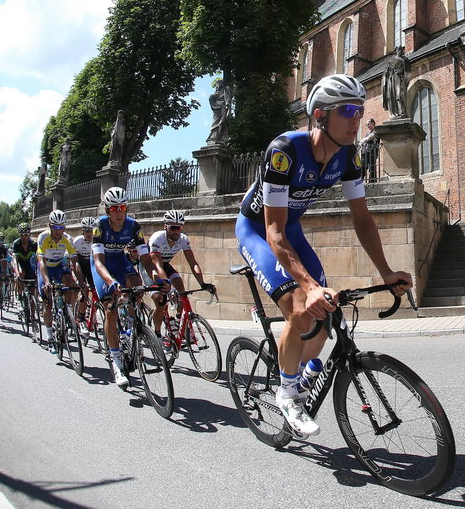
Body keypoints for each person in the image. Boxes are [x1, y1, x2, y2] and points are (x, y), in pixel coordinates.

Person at [235, 73, 412, 437]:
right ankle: (286, 393)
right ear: (319, 116)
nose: (356, 118)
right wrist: (309, 286)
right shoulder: (284, 150)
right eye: (346, 110)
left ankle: (297, 371)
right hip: (259, 231)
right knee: (302, 308)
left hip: (291, 230)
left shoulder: (348, 156)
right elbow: (273, 232)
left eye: (359, 110)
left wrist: (387, 271)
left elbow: (362, 219)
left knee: (325, 315)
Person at [91, 187, 164, 389]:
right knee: (110, 309)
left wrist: (157, 280)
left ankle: (131, 329)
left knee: (138, 287)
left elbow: (145, 260)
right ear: (107, 210)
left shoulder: (133, 226)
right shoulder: (99, 226)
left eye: (123, 207)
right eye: (115, 208)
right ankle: (115, 361)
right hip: (103, 265)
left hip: (120, 261)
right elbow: (98, 262)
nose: (119, 212)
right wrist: (110, 282)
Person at [148, 210, 215, 345]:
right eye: (172, 227)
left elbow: (193, 263)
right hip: (151, 268)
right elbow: (157, 265)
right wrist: (167, 286)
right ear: (165, 227)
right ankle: (157, 334)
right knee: (160, 301)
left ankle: (179, 323)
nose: (176, 231)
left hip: (165, 265)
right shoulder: (157, 238)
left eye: (179, 228)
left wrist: (203, 283)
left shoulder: (183, 239)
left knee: (181, 290)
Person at [36, 210, 83, 350]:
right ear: (50, 226)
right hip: (45, 267)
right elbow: (42, 262)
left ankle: (67, 310)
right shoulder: (43, 237)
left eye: (61, 227)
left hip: (58, 265)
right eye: (56, 227)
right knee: (47, 302)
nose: (58, 231)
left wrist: (80, 281)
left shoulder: (67, 238)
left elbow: (75, 262)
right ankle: (50, 335)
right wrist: (47, 282)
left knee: (69, 279)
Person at [72, 217, 97, 327]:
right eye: (87, 230)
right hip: (79, 266)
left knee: (97, 290)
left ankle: (93, 312)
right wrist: (80, 280)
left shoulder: (97, 240)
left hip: (91, 265)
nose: (89, 233)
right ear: (83, 231)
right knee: (84, 289)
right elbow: (74, 263)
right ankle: (81, 316)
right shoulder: (77, 241)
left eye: (91, 230)